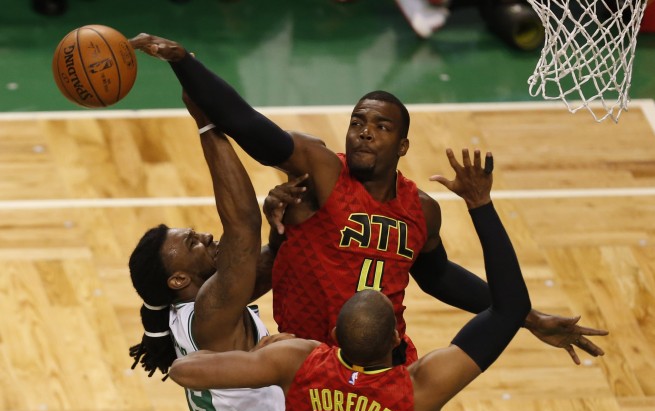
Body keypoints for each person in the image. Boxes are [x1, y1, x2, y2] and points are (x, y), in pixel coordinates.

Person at [128, 32, 608, 367]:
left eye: (381, 127)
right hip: (305, 358)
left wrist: (526, 317)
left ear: (402, 146)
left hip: (385, 362)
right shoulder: (319, 168)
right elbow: (253, 129)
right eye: (358, 121)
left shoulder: (422, 208)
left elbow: (438, 276)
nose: (364, 133)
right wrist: (185, 63)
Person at [167, 149, 532, 411]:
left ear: (336, 338)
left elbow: (183, 370)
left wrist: (265, 352)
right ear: (395, 338)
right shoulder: (420, 391)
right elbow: (510, 308)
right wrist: (480, 203)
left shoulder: (299, 364)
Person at [128, 91, 292, 411]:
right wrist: (209, 126)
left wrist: (280, 231)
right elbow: (242, 227)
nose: (207, 238)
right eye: (193, 243)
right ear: (179, 278)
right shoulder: (210, 312)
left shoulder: (208, 304)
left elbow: (264, 263)